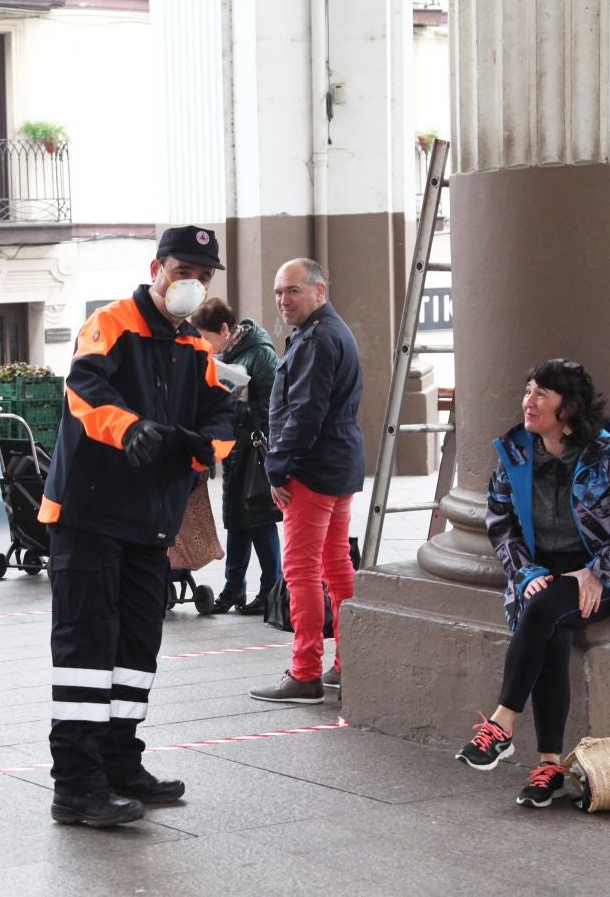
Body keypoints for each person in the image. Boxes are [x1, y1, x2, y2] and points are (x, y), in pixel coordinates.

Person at [38, 225, 235, 827]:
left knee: (135, 652)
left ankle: (121, 761)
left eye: (203, 276)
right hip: (90, 515)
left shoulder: (194, 347)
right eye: (183, 271)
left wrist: (206, 449)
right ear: (157, 268)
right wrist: (132, 429)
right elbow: (84, 388)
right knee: (87, 648)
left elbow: (221, 416)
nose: (193, 284)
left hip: (150, 522)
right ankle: (76, 784)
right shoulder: (111, 324)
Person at [455, 358, 610, 808]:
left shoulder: (606, 457)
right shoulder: (514, 456)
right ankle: (550, 765)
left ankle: (501, 723)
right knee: (550, 624)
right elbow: (500, 523)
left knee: (543, 610)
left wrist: (598, 570)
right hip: (543, 576)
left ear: (567, 409)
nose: (528, 403)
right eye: (528, 391)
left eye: (541, 395)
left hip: (607, 578)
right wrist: (526, 572)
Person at [248, 259, 362, 705]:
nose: (283, 300)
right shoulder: (332, 331)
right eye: (279, 292)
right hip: (338, 463)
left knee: (301, 570)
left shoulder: (318, 339)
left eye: (292, 291)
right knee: (336, 566)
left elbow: (305, 414)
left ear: (319, 290)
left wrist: (277, 467)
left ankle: (305, 672)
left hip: (312, 469)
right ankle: (349, 661)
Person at [190, 297, 282, 616]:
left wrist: (230, 406)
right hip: (234, 448)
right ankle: (234, 587)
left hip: (255, 449)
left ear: (226, 329)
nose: (204, 345)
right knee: (237, 521)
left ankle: (272, 589)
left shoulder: (260, 353)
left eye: (206, 337)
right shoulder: (226, 354)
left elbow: (270, 409)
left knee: (260, 518)